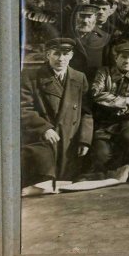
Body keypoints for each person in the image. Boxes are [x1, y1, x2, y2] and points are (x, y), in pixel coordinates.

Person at [20, 37, 93, 192]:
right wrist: (44, 128)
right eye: (56, 54)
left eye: (65, 54)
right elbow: (23, 108)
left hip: (71, 141)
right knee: (43, 186)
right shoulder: (31, 77)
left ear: (71, 55)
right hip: (42, 140)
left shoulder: (79, 78)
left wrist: (84, 140)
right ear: (48, 55)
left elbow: (87, 112)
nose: (61, 58)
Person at [89, 44, 129, 180]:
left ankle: (126, 170)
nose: (127, 61)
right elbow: (97, 94)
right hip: (104, 123)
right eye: (123, 57)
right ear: (116, 57)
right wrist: (125, 101)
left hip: (127, 121)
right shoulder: (104, 72)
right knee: (102, 156)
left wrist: (125, 109)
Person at [70, 3, 111, 80]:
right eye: (82, 16)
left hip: (96, 82)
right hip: (73, 82)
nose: (85, 21)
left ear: (95, 18)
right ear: (75, 17)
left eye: (89, 17)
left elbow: (108, 66)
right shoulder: (67, 37)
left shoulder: (105, 38)